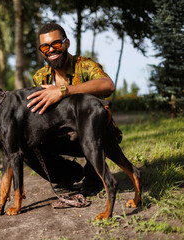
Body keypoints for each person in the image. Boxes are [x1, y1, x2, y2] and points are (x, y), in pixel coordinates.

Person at [27, 22, 116, 193]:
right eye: (45, 47)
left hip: (94, 134)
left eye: (56, 44)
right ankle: (67, 174)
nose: (51, 50)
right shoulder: (40, 78)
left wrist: (63, 91)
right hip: (61, 135)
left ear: (67, 43)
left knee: (92, 187)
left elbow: (108, 85)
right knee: (26, 143)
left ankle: (94, 174)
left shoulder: (84, 65)